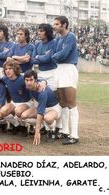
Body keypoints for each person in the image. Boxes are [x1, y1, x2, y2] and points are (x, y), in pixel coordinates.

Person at [52, 16, 79, 145]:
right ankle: (65, 131)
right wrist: (57, 56)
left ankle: (75, 135)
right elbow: (56, 55)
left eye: (57, 24)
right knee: (62, 102)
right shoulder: (58, 39)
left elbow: (64, 54)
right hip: (59, 69)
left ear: (64, 25)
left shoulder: (71, 36)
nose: (55, 26)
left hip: (69, 68)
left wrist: (56, 56)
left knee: (71, 103)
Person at [0, 59, 33, 136]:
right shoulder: (5, 79)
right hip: (14, 102)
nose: (7, 71)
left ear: (15, 69)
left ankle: (24, 127)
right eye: (6, 69)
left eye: (10, 69)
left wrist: (44, 82)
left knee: (18, 111)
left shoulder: (22, 78)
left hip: (26, 103)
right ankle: (16, 125)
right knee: (1, 113)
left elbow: (37, 80)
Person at [23, 70, 62, 145]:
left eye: (31, 80)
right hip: (42, 107)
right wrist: (44, 81)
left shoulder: (42, 91)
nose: (28, 82)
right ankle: (42, 127)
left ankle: (52, 130)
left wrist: (36, 132)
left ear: (35, 80)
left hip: (53, 108)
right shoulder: (30, 85)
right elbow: (41, 79)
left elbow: (40, 113)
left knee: (47, 118)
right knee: (24, 116)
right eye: (26, 80)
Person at [31, 23, 57, 91]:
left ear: (47, 32)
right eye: (39, 31)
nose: (39, 33)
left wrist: (37, 56)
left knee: (52, 96)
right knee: (40, 94)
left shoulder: (54, 43)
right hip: (40, 73)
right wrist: (43, 57)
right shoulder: (37, 44)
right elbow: (32, 60)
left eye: (41, 31)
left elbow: (48, 59)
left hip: (52, 73)